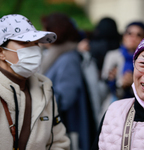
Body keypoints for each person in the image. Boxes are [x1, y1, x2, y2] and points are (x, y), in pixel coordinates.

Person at [0, 14, 70, 150]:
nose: (35, 49)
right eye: (25, 42)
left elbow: (58, 142)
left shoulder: (45, 89)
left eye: (36, 43)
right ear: (1, 52)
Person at [40, 13, 96, 150]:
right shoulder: (58, 55)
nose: (42, 34)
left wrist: (37, 96)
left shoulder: (68, 59)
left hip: (68, 129)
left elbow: (65, 98)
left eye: (45, 30)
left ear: (56, 33)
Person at [101, 21, 144, 102]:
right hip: (113, 102)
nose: (133, 38)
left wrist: (133, 84)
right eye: (130, 33)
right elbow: (102, 85)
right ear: (124, 36)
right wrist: (112, 80)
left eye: (138, 35)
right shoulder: (112, 56)